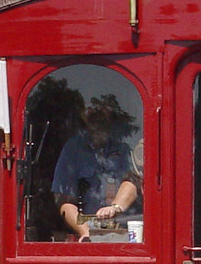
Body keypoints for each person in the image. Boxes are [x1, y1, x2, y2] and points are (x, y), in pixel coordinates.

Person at [52, 103, 140, 241]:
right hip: (84, 234)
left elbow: (132, 182)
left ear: (110, 122)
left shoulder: (122, 149)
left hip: (120, 233)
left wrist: (115, 207)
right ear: (86, 123)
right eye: (93, 120)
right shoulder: (73, 149)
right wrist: (86, 233)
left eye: (102, 120)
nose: (98, 126)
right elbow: (64, 199)